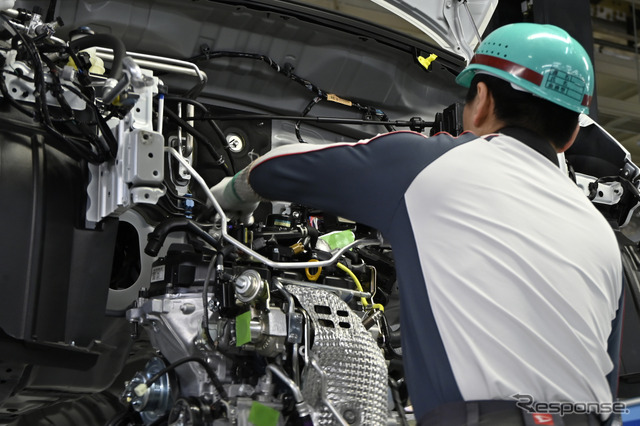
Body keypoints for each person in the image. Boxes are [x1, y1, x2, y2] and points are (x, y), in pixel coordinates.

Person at [210, 23, 624, 425]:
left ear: (481, 99)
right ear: (572, 134)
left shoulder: (430, 165)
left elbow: (275, 168)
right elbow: (606, 382)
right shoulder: (604, 237)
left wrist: (227, 199)